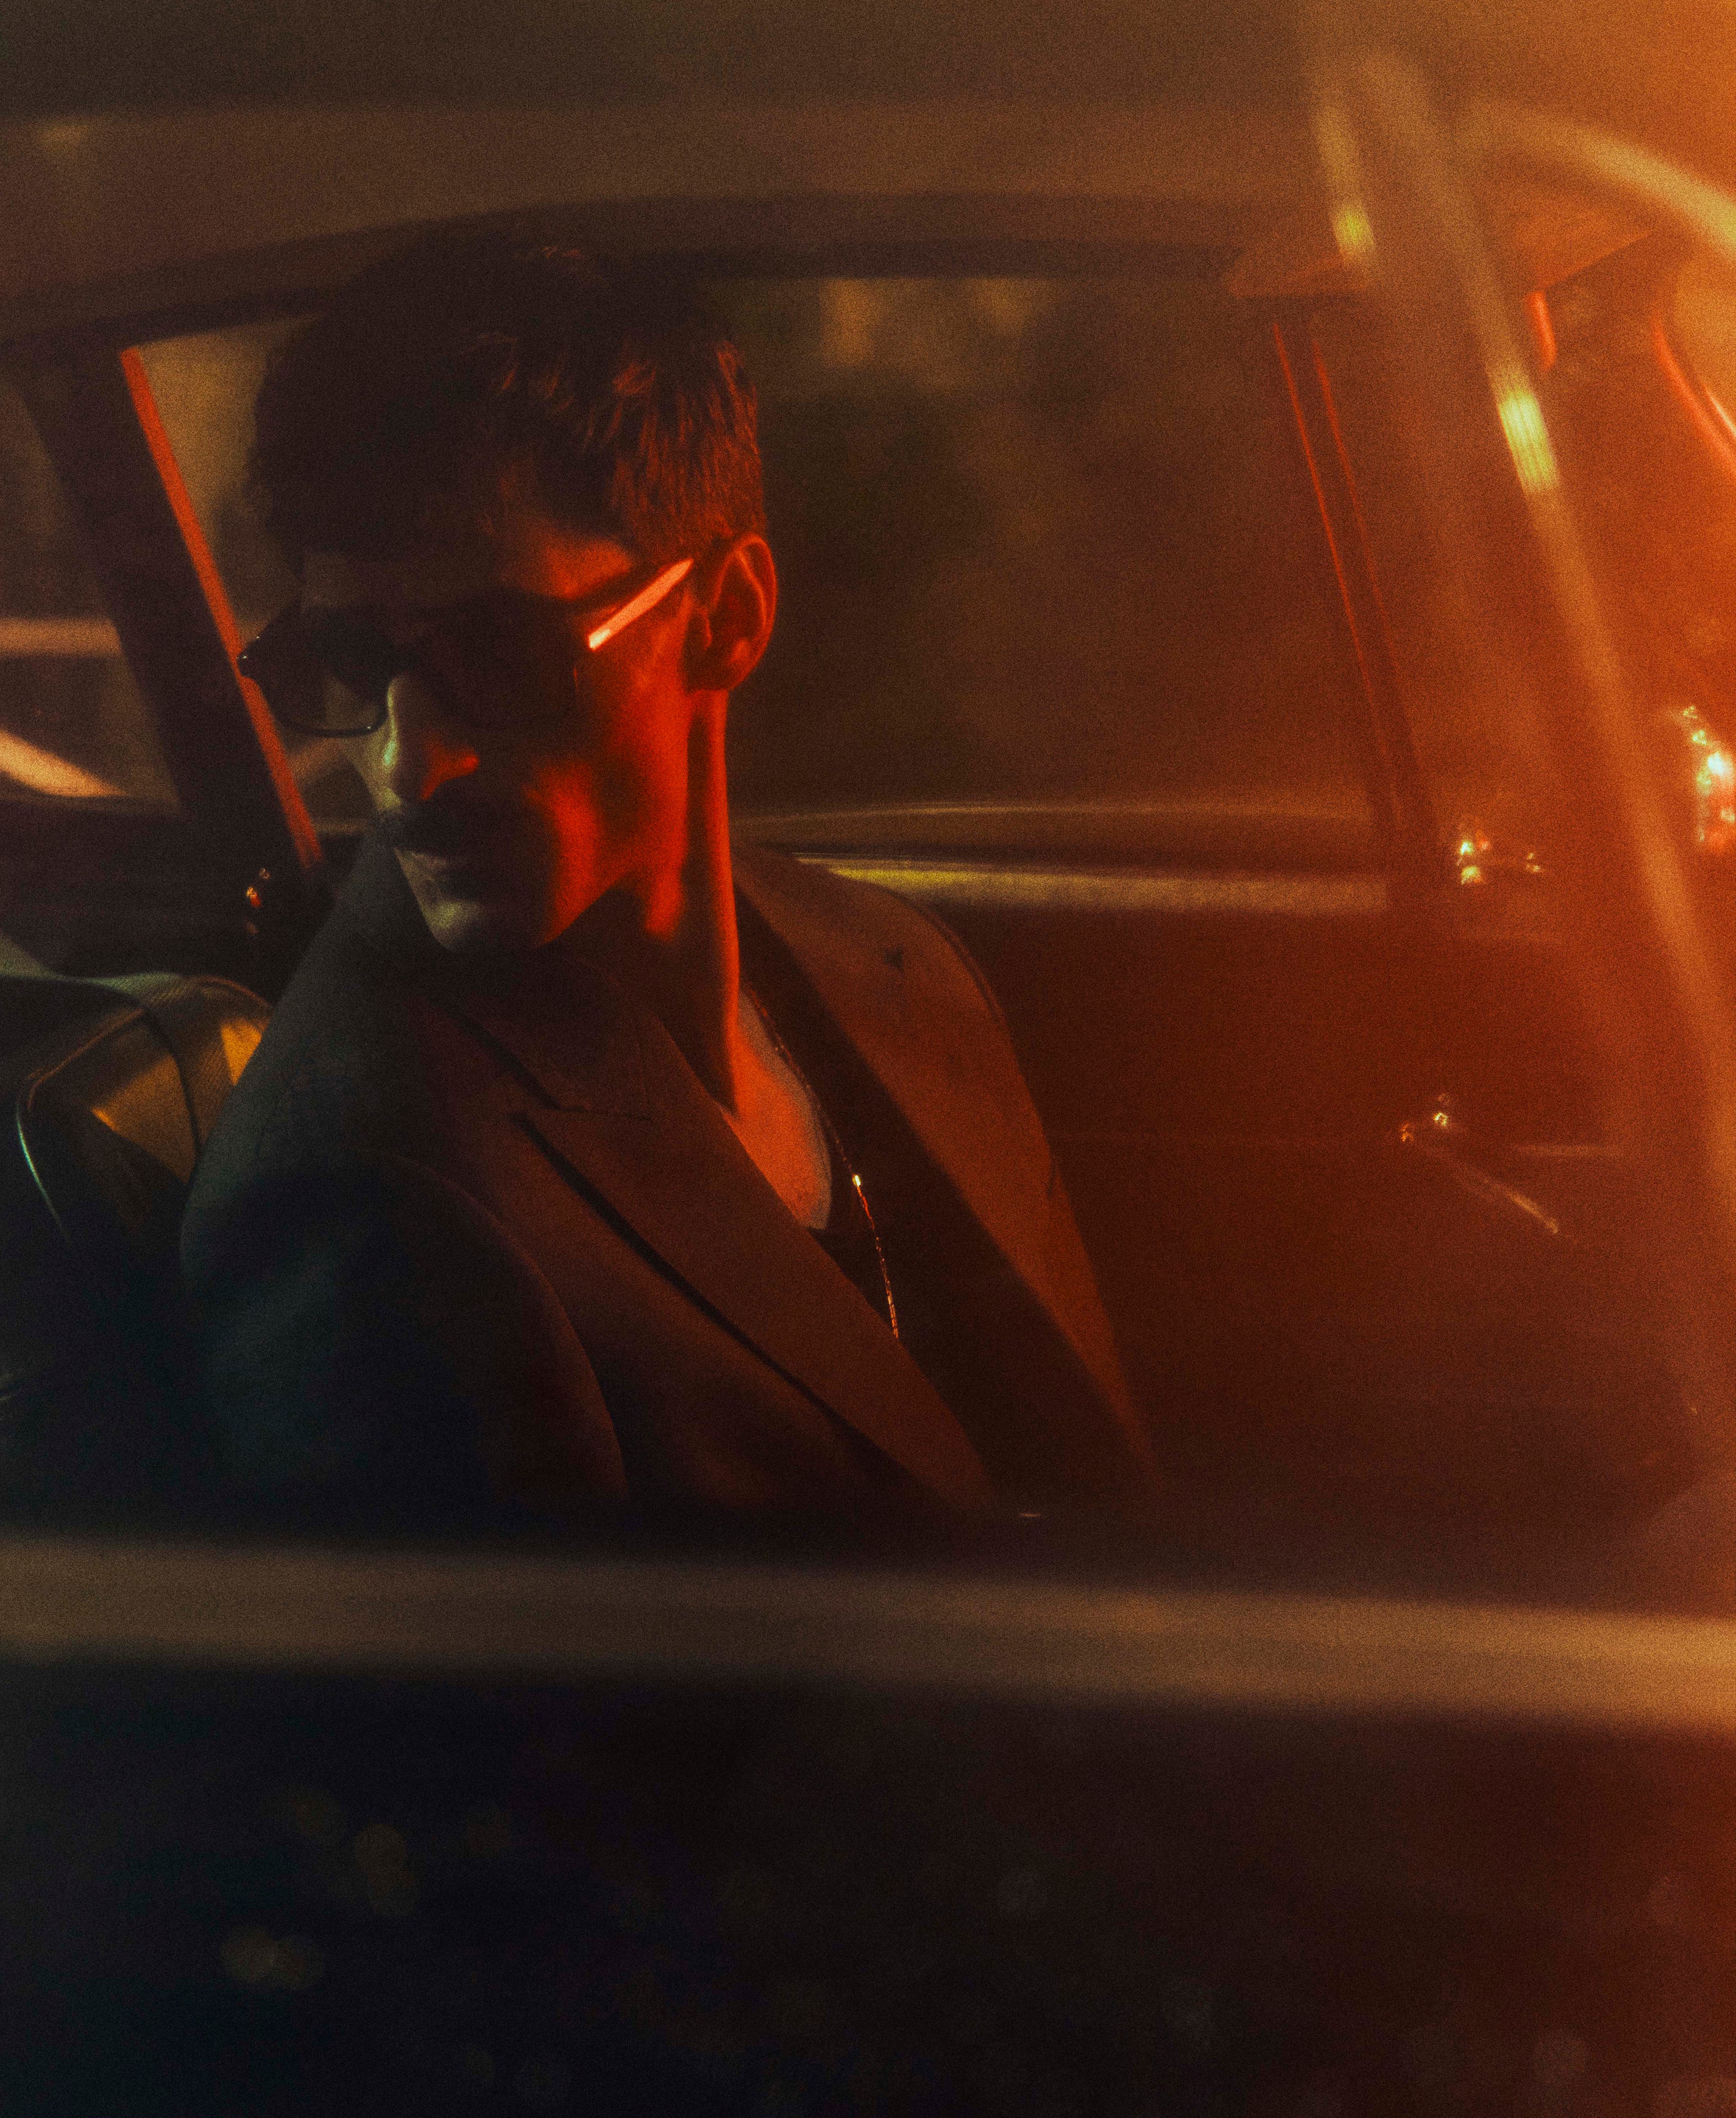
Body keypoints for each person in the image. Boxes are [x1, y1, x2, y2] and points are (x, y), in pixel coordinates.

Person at [181, 237, 1147, 1534]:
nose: (409, 762)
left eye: (499, 652)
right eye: (350, 659)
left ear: (726, 617)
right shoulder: (372, 1195)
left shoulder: (892, 959)